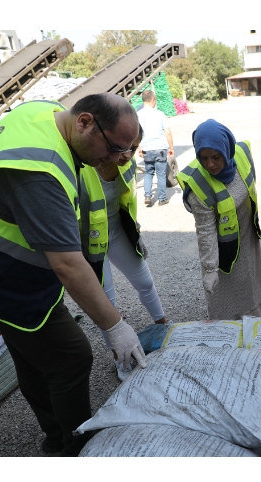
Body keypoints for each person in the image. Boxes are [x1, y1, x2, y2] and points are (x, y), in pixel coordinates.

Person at [0, 94, 147, 456]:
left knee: (32, 354)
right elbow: (66, 263)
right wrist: (116, 326)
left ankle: (54, 435)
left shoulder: (44, 113)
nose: (113, 160)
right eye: (111, 149)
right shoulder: (38, 171)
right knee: (71, 356)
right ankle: (75, 448)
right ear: (84, 122)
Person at [78, 127, 170, 380]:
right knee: (106, 302)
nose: (128, 155)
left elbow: (127, 199)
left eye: (133, 147)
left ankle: (163, 325)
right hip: (88, 242)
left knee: (145, 281)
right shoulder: (82, 166)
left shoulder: (128, 163)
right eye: (123, 148)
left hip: (117, 231)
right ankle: (120, 356)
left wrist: (134, 229)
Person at [176, 119, 261, 320]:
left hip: (247, 231)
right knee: (228, 285)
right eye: (203, 158)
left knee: (251, 275)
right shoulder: (198, 187)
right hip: (225, 242)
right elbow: (205, 231)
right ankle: (229, 322)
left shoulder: (240, 154)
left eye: (216, 156)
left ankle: (258, 310)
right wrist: (210, 268)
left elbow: (251, 181)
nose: (210, 164)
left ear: (227, 150)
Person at [137, 90, 174, 206]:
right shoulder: (160, 114)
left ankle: (147, 195)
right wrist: (171, 147)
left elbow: (136, 134)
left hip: (146, 149)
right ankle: (162, 199)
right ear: (152, 100)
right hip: (160, 149)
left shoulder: (137, 115)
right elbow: (167, 132)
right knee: (161, 174)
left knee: (148, 172)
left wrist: (139, 148)